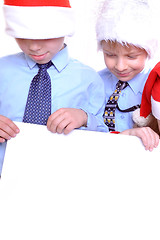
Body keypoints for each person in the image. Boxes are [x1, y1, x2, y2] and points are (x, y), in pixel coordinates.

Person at [0, 0, 107, 174]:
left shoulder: (88, 79)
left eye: (45, 36)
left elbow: (105, 135)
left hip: (61, 178)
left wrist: (84, 117)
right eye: (23, 36)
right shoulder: (2, 70)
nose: (34, 47)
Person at [96, 0, 158, 133]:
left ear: (148, 51)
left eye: (131, 57)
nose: (120, 66)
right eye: (110, 55)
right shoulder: (95, 82)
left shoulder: (157, 85)